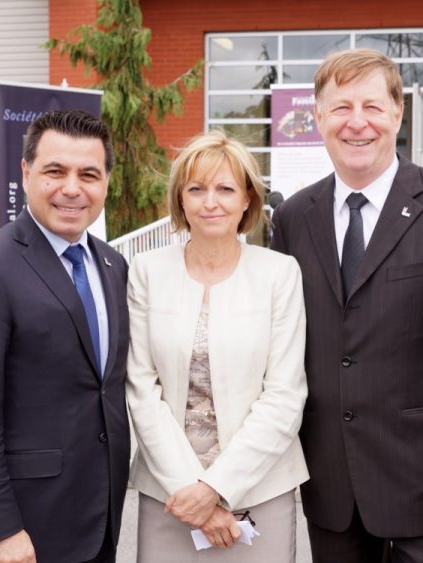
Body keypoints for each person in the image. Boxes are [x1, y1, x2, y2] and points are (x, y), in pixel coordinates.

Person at [270, 48, 423, 563]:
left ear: (398, 115)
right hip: (331, 488)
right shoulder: (294, 217)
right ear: (317, 117)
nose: (357, 123)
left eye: (373, 107)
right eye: (340, 108)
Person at [0, 109, 130, 563]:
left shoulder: (112, 266)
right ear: (25, 172)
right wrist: (0, 529)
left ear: (105, 183)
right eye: (55, 171)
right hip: (16, 535)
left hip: (96, 524)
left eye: (89, 174)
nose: (72, 188)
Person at [126, 130, 308, 563]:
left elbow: (284, 395)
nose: (211, 202)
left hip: (259, 490)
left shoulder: (279, 273)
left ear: (247, 199)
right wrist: (190, 489)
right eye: (197, 189)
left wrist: (216, 489)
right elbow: (141, 389)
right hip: (171, 494)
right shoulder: (147, 271)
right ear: (181, 200)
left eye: (225, 188)